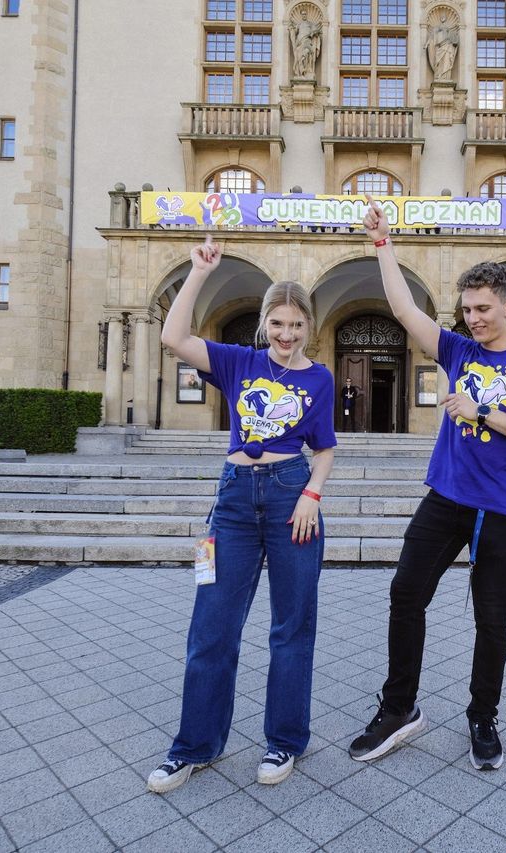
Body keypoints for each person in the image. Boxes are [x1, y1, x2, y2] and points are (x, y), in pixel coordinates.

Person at [348, 198, 506, 771]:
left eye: (484, 309)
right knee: (405, 594)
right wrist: (383, 243)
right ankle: (399, 709)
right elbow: (403, 309)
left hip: (502, 510)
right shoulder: (459, 348)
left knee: (491, 618)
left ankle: (482, 717)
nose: (474, 318)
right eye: (467, 309)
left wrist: (481, 414)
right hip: (446, 498)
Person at [148, 234, 336, 793]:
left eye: (296, 325)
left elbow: (324, 448)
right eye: (277, 324)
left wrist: (312, 495)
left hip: (292, 497)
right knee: (211, 626)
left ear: (310, 326)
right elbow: (173, 336)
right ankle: (193, 748)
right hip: (230, 502)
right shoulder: (238, 362)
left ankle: (284, 743)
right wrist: (198, 272)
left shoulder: (319, 378)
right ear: (264, 324)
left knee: (291, 627)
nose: (286, 335)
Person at [289, 8, 322, 80]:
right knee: (299, 57)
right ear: (301, 15)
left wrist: (313, 33)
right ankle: (301, 73)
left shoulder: (310, 24)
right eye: (302, 14)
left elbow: (316, 31)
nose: (304, 15)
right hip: (299, 42)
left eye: (305, 14)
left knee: (306, 53)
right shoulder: (299, 24)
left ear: (306, 15)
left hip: (307, 41)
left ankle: (307, 71)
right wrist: (291, 28)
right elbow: (294, 32)